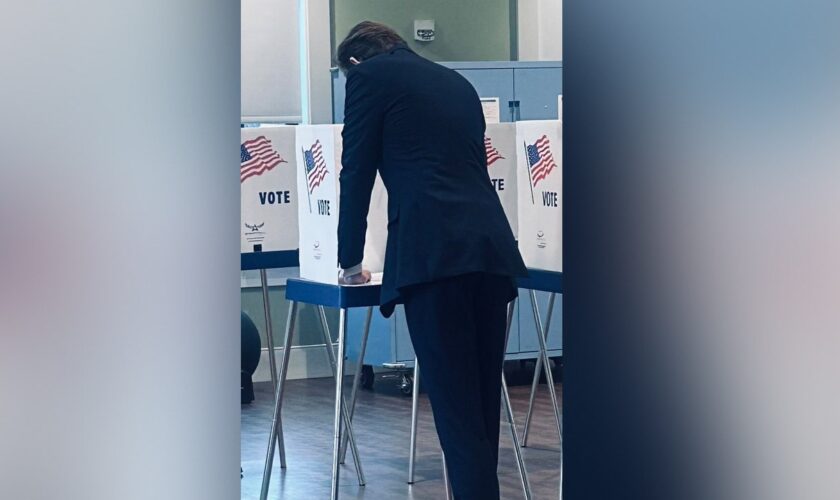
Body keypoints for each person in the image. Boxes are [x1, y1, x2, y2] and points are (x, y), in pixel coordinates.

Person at [336, 21, 528, 500]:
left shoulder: (367, 78)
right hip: (490, 250)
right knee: (481, 408)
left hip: (433, 255)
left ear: (356, 61)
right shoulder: (457, 82)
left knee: (455, 410)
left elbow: (355, 171)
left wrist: (348, 259)